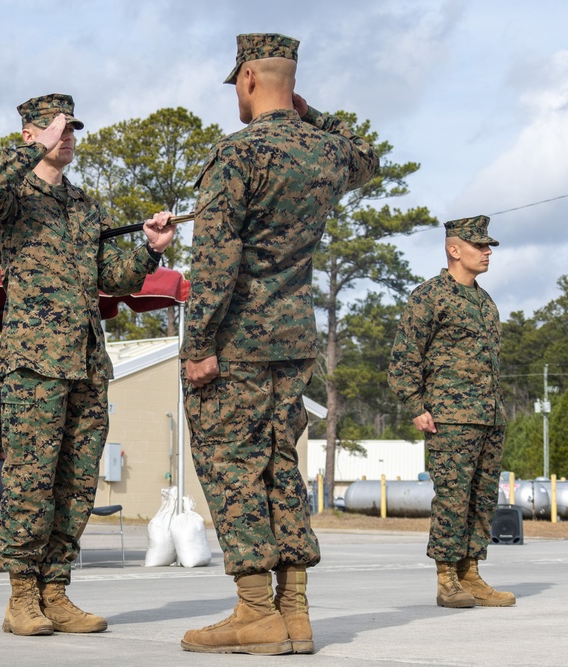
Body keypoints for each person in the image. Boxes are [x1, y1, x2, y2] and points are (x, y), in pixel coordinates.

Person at [180, 33, 379, 654]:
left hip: (236, 343)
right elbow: (367, 156)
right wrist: (308, 111)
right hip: (294, 341)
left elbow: (215, 259)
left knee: (232, 467)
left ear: (246, 80)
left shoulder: (237, 155)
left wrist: (197, 345)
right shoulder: (324, 154)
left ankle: (255, 611)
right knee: (280, 466)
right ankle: (295, 613)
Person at [0, 93, 175, 636]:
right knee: (30, 481)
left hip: (85, 362)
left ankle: (55, 589)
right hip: (34, 363)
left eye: (73, 127)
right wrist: (26, 149)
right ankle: (21, 596)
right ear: (31, 133)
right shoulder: (12, 198)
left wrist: (150, 250)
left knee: (78, 482)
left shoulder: (84, 206)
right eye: (57, 126)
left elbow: (115, 277)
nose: (68, 135)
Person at [388, 215, 514, 609]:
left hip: (489, 417)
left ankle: (470, 573)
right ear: (454, 250)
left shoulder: (485, 301)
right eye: (480, 246)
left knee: (482, 499)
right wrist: (415, 406)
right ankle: (446, 578)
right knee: (453, 499)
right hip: (450, 418)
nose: (488, 252)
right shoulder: (429, 296)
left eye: (489, 246)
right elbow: (404, 357)